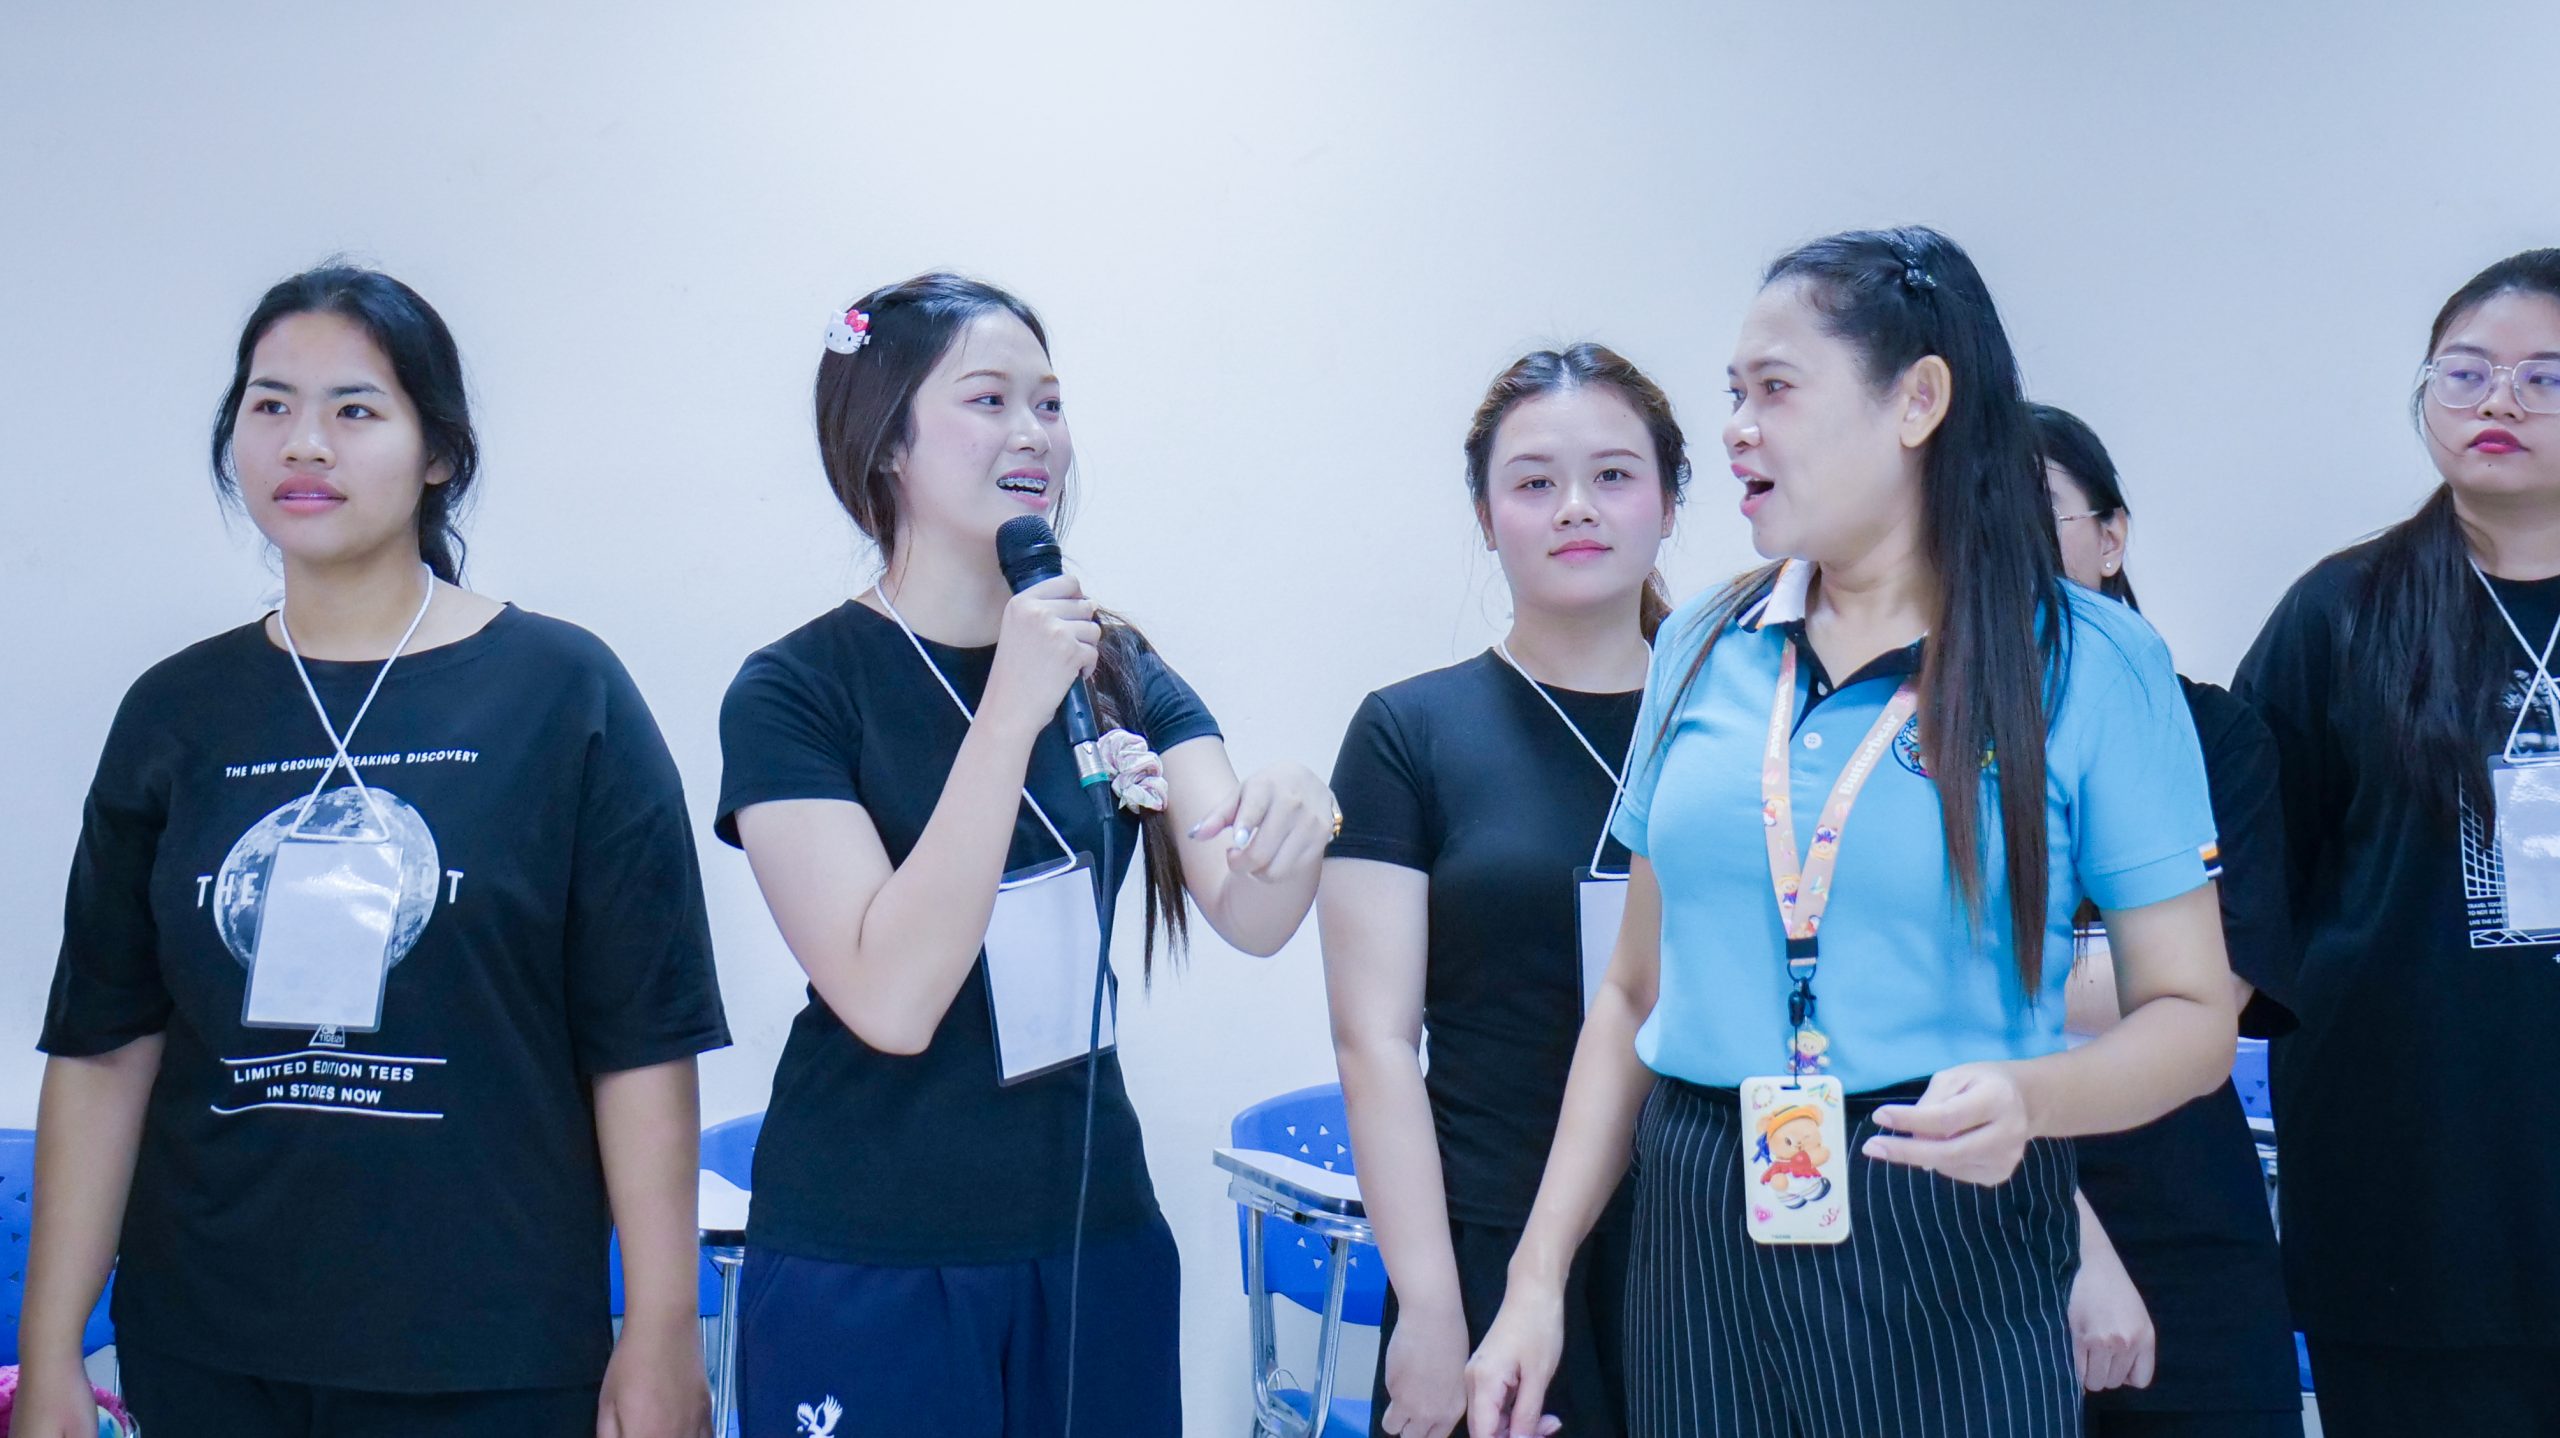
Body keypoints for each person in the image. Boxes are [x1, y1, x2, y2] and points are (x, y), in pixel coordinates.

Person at [1463, 226, 2238, 1438]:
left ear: (1917, 400)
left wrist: (2034, 1100)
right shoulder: (1702, 644)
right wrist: (1536, 1278)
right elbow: (1630, 992)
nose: (1735, 430)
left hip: (1946, 1198)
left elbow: (2194, 1018)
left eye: (1774, 389)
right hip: (1700, 1209)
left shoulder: (2085, 660)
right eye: (1733, 394)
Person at [16, 264, 729, 1438]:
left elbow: (642, 1038)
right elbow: (104, 1048)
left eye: (355, 408)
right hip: (208, 1345)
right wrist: (50, 1351)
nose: (306, 443)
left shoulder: (562, 693)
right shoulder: (175, 712)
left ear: (438, 450)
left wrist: (660, 1325)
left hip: (487, 1343)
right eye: (271, 404)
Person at [717, 273, 1334, 1436]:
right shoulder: (795, 690)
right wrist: (1008, 710)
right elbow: (890, 998)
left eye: (1048, 403)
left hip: (1092, 1238)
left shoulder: (1115, 662)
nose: (1033, 433)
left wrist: (1301, 814)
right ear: (885, 440)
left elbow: (1250, 910)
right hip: (870, 1250)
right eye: (988, 400)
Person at [1323, 344, 1686, 1438]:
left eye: (1613, 474)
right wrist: (1432, 1309)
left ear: (1670, 502)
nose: (1576, 506)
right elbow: (1374, 1041)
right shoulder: (1409, 732)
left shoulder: (1734, 720)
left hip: (1714, 1239)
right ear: (1485, 516)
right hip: (1488, 1238)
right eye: (1534, 482)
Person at [2233, 248, 2560, 1434]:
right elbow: (2252, 884)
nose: (2496, 401)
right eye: (2464, 372)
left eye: (2543, 377)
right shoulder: (2342, 611)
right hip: (2411, 1175)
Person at [2035, 402, 2304, 1436]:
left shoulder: (2210, 734)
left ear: (2111, 537)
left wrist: (1987, 983)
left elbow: (2208, 992)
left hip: (2178, 1198)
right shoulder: (1908, 738)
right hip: (1969, 1201)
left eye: (2033, 513)